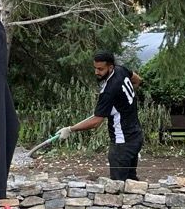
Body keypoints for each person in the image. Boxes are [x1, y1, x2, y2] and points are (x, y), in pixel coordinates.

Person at [57, 51, 144, 180]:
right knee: (131, 181)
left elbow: (96, 122)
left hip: (122, 144)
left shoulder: (109, 91)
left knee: (118, 185)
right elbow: (138, 80)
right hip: (136, 136)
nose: (96, 72)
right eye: (95, 68)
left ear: (110, 67)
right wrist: (126, 97)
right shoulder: (121, 70)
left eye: (100, 69)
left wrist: (70, 129)